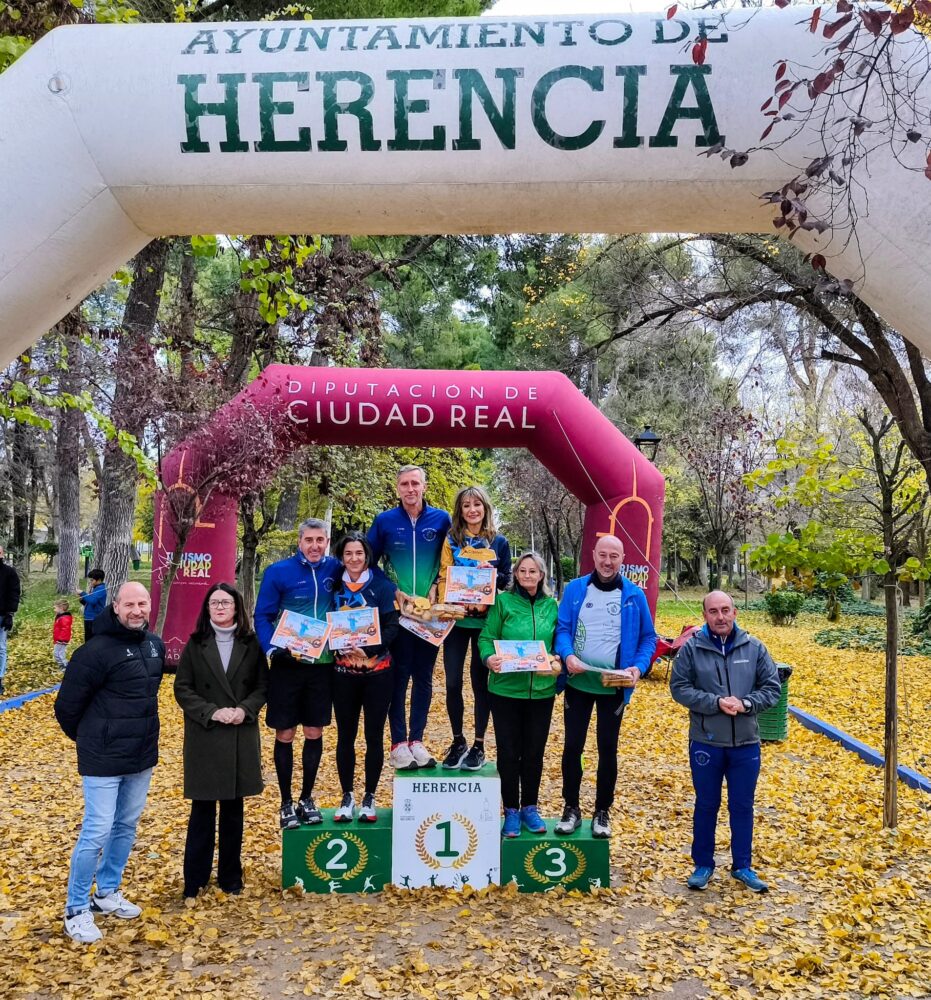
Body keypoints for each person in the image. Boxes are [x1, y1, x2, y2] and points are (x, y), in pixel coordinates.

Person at [54, 582, 164, 944]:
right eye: (129, 603)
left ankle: (107, 892)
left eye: (142, 603)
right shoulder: (93, 652)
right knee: (96, 830)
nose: (136, 609)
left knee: (126, 825)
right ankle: (76, 908)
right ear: (115, 607)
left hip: (141, 755)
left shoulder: (154, 646)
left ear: (150, 606)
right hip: (103, 758)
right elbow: (67, 708)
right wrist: (93, 739)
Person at [670, 590, 782, 894]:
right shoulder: (692, 649)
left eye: (725, 610)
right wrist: (715, 702)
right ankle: (703, 864)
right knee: (707, 804)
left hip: (746, 742)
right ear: (704, 615)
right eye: (713, 611)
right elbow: (679, 689)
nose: (720, 617)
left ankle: (742, 866)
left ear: (735, 612)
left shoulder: (754, 647)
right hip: (706, 742)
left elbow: (772, 689)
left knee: (742, 805)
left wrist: (745, 703)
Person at [553, 535, 657, 839]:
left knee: (607, 749)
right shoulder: (575, 589)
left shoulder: (634, 595)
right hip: (578, 682)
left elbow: (648, 638)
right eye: (603, 555)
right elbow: (563, 629)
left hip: (613, 686)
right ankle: (571, 807)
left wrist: (638, 667)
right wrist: (567, 654)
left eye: (614, 556)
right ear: (593, 556)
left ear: (622, 558)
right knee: (573, 746)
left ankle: (602, 810)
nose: (608, 561)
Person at [174, 583, 268, 897]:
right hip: (206, 734)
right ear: (207, 608)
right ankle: (195, 879)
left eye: (225, 602)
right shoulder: (195, 643)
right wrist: (212, 712)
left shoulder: (251, 643)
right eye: (214, 602)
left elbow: (262, 687)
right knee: (202, 811)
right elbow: (183, 689)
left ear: (236, 607)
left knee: (233, 810)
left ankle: (231, 877)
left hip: (240, 733)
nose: (219, 607)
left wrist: (244, 710)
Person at [254, 518, 340, 830]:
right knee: (285, 733)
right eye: (309, 540)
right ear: (300, 542)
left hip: (323, 666)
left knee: (314, 732)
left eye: (320, 540)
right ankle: (286, 801)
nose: (315, 546)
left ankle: (307, 797)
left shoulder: (337, 569)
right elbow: (262, 615)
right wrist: (271, 647)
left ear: (327, 541)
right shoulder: (279, 572)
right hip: (288, 665)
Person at [367, 465, 451, 770]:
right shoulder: (385, 521)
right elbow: (367, 561)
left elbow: (452, 559)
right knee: (399, 676)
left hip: (430, 613)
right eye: (405, 484)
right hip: (399, 614)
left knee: (424, 677)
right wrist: (392, 590)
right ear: (397, 488)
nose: (410, 489)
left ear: (424, 486)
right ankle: (398, 743)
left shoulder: (442, 519)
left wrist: (436, 587)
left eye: (415, 483)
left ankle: (417, 740)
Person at [478, 552, 559, 837]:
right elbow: (487, 637)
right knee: (509, 753)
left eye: (532, 571)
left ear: (541, 575)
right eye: (522, 571)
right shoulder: (503, 602)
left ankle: (530, 808)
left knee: (534, 753)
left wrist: (557, 659)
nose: (527, 576)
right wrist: (489, 659)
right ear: (515, 574)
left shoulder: (552, 606)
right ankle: (511, 810)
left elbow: (559, 642)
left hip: (541, 692)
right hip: (505, 691)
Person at [438, 486, 512, 771]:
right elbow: (445, 575)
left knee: (481, 685)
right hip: (457, 621)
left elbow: (505, 577)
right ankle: (458, 741)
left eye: (477, 505)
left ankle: (479, 745)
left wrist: (488, 584)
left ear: (485, 508)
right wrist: (451, 600)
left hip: (485, 623)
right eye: (466, 505)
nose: (472, 510)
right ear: (460, 511)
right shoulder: (452, 539)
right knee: (453, 683)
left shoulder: (499, 542)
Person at [330, 532, 399, 822]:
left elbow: (393, 627)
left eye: (359, 553)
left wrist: (368, 646)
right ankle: (347, 796)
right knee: (345, 735)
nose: (354, 558)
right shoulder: (332, 584)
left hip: (377, 673)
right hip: (343, 673)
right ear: (341, 556)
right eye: (349, 554)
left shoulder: (383, 586)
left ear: (367, 555)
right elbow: (325, 622)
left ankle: (370, 796)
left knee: (373, 736)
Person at [0, 544, 21, 697]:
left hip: (2, 615)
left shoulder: (9, 572)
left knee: (1, 648)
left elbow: (14, 593)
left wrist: (10, 614)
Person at [77, 569, 107, 643]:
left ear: (99, 580)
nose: (90, 582)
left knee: (91, 640)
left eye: (92, 580)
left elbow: (93, 601)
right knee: (88, 639)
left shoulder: (101, 589)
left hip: (94, 619)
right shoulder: (96, 589)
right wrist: (82, 600)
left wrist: (83, 593)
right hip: (88, 618)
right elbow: (90, 603)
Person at [53, 599, 74, 670]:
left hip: (61, 640)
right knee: (57, 653)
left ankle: (65, 666)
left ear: (61, 608)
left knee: (59, 653)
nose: (54, 610)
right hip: (58, 639)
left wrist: (61, 639)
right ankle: (62, 665)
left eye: (55, 608)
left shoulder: (64, 618)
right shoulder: (60, 616)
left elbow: (65, 630)